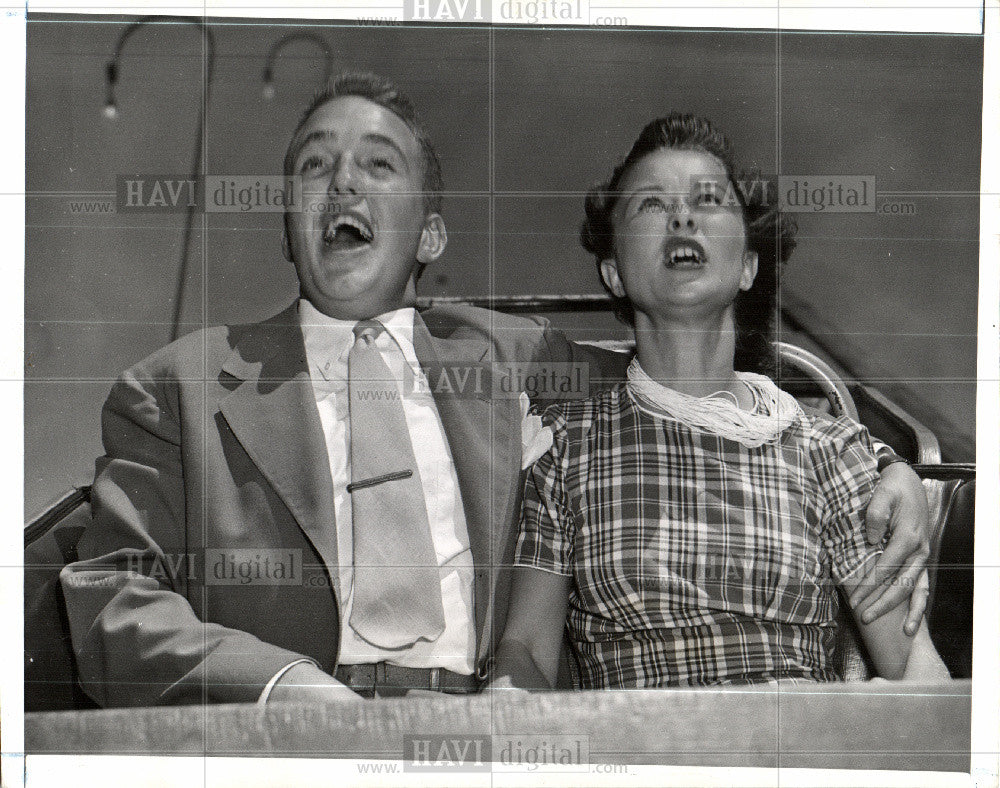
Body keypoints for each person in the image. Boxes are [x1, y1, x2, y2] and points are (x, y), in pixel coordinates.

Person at [60, 76, 932, 707]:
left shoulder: (514, 358)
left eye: (378, 164)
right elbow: (109, 597)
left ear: (430, 232)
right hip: (288, 741)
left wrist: (887, 467)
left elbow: (686, 382)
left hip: (489, 735)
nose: (343, 184)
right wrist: (283, 691)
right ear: (289, 227)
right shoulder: (175, 388)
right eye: (314, 167)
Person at [492, 114, 948, 690]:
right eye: (650, 205)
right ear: (613, 273)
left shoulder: (831, 453)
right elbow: (527, 651)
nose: (682, 216)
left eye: (708, 200)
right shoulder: (566, 449)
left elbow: (911, 670)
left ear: (749, 266)